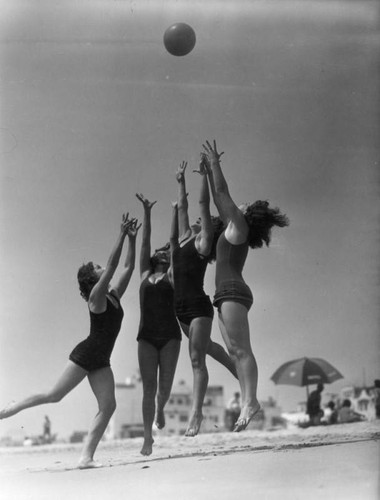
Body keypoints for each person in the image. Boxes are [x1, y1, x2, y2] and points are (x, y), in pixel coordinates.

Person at [0, 213, 139, 468]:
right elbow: (112, 268)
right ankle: (12, 408)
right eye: (97, 268)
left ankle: (86, 457)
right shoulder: (96, 298)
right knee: (54, 396)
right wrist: (120, 234)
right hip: (86, 354)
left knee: (108, 407)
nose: (102, 268)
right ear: (93, 279)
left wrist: (132, 239)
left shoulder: (113, 296)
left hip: (102, 360)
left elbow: (128, 268)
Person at [201, 139, 289, 432]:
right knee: (235, 351)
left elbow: (223, 194)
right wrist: (206, 174)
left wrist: (215, 163)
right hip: (225, 294)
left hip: (233, 292)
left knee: (242, 350)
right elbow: (218, 198)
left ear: (246, 214)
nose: (238, 205)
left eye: (243, 206)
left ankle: (251, 402)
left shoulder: (240, 229)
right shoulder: (232, 229)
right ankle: (248, 402)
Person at [171, 159, 237, 437]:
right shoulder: (186, 236)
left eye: (204, 221)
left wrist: (204, 176)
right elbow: (184, 207)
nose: (198, 221)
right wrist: (181, 181)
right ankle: (239, 368)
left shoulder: (203, 242)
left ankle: (195, 415)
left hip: (198, 309)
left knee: (197, 360)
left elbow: (201, 205)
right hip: (180, 310)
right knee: (208, 347)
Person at [135, 193, 182, 456]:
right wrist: (148, 212)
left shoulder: (172, 275)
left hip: (170, 337)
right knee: (148, 388)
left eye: (165, 251)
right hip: (146, 336)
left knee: (164, 388)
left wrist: (175, 212)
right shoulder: (145, 273)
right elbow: (145, 241)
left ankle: (161, 408)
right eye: (159, 251)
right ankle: (147, 438)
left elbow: (174, 243)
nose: (160, 250)